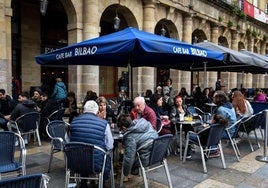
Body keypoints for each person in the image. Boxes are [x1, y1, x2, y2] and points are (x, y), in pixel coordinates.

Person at [69, 100, 114, 185]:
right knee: (106, 155)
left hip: (75, 163)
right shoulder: (104, 124)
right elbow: (110, 145)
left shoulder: (73, 122)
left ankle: (83, 183)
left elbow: (68, 141)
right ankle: (102, 183)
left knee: (82, 154)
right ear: (97, 111)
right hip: (97, 164)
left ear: (83, 110)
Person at [117, 113, 158, 179]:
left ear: (124, 128)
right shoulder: (144, 123)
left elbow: (129, 158)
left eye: (121, 129)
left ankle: (125, 173)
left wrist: (125, 172)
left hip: (147, 158)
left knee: (126, 158)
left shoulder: (129, 137)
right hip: (159, 153)